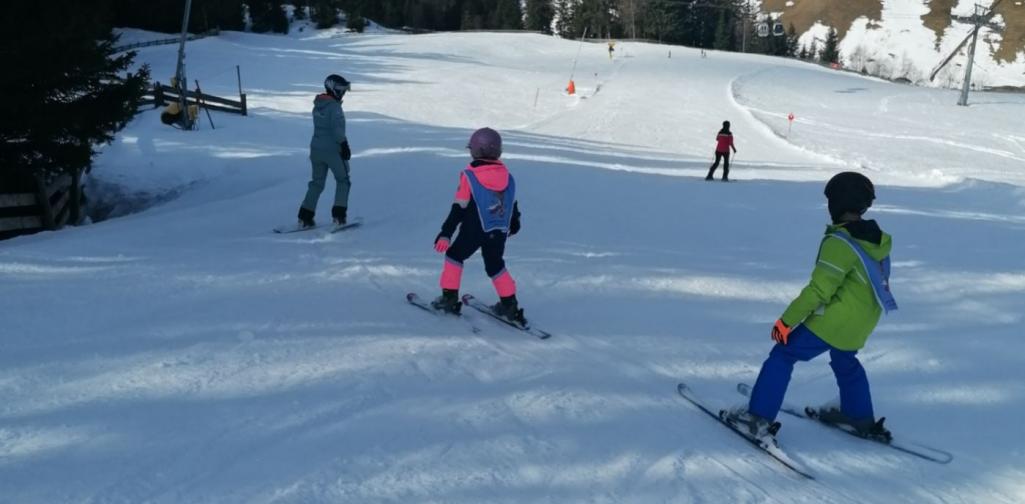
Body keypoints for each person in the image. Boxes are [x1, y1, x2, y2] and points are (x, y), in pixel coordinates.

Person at [724, 172, 898, 442]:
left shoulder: (840, 243)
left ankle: (758, 418)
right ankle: (858, 415)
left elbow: (819, 290)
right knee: (845, 360)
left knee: (782, 355)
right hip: (864, 320)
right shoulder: (877, 240)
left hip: (833, 320)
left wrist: (786, 321)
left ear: (838, 202)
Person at [431, 128, 525, 324]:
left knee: (455, 255)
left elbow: (459, 207)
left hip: (474, 229)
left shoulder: (469, 176)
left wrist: (446, 232)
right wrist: (514, 223)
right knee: (495, 264)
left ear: (476, 151)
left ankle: (449, 298)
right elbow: (511, 203)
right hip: (498, 230)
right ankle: (510, 304)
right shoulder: (508, 176)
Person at [297, 74, 352, 228]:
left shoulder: (318, 105)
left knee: (317, 183)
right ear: (333, 89)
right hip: (332, 150)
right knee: (343, 181)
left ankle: (305, 216)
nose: (343, 93)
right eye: (341, 90)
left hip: (316, 149)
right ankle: (339, 217)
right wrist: (344, 145)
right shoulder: (335, 108)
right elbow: (337, 130)